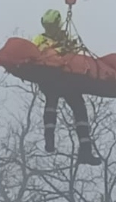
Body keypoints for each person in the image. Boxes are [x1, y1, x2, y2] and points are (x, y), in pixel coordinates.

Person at [33, 9, 102, 166]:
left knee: (79, 108)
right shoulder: (40, 39)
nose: (49, 29)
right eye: (48, 26)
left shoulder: (67, 37)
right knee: (51, 102)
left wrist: (70, 48)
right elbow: (40, 54)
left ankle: (85, 151)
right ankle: (49, 141)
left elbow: (73, 56)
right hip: (49, 76)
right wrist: (60, 49)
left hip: (67, 78)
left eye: (51, 26)